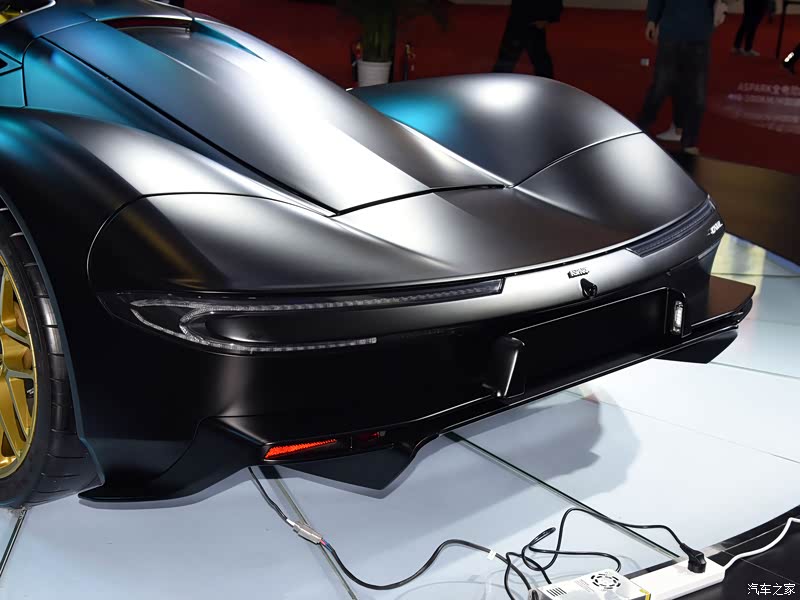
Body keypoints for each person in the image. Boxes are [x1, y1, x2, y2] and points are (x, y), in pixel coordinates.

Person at [637, 0, 727, 154]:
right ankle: (640, 129)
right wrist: (651, 20)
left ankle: (689, 141)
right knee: (660, 87)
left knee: (697, 94)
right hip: (671, 34)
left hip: (699, 37)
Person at [493, 0, 564, 79]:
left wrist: (549, 18)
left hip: (533, 20)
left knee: (539, 57)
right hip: (520, 17)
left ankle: (498, 78)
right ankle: (498, 79)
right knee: (508, 56)